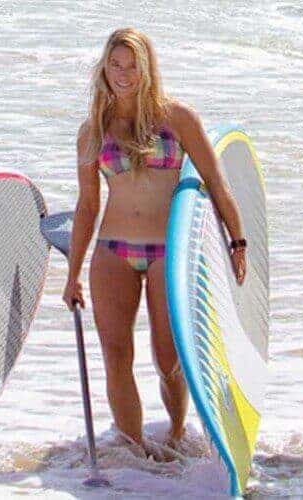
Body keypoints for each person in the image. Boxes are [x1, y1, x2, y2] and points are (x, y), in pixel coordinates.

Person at [62, 28, 247, 459]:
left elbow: (217, 183)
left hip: (169, 252)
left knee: (169, 355)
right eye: (116, 65)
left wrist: (238, 241)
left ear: (147, 69)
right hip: (112, 252)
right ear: (104, 70)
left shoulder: (177, 118)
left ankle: (177, 433)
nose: (124, 74)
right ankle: (132, 452)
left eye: (132, 66)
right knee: (115, 353)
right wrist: (72, 274)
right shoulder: (92, 131)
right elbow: (88, 206)